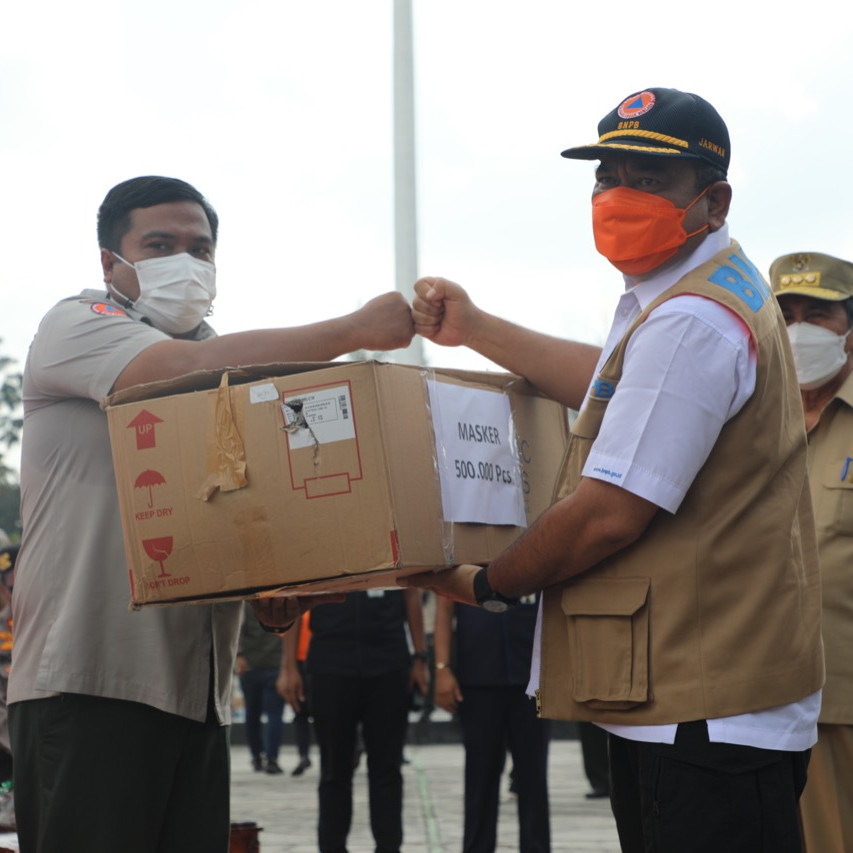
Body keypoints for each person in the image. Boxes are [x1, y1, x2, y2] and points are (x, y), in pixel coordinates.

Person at [404, 87, 824, 852]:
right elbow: (609, 383)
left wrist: (489, 581)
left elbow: (607, 513)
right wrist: (474, 329)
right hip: (704, 699)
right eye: (607, 176)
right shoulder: (702, 292)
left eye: (649, 179)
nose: (618, 196)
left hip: (702, 715)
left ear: (712, 197)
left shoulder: (688, 322)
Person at [8, 175, 414, 853]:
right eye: (161, 244)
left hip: (195, 696)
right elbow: (189, 368)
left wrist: (269, 590)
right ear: (113, 263)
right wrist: (353, 331)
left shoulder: (226, 361)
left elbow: (236, 514)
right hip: (89, 682)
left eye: (200, 249)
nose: (186, 262)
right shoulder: (80, 325)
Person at [770, 251, 853, 853]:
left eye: (817, 313)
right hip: (755, 704)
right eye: (785, 313)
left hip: (841, 701)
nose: (797, 329)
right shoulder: (744, 420)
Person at [282, 588, 429, 853]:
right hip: (331, 662)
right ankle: (332, 847)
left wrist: (420, 657)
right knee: (334, 770)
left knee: (387, 769)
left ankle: (388, 848)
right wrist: (288, 666)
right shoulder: (315, 546)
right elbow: (293, 596)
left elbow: (411, 592)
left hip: (388, 660)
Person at [433, 593, 550, 852]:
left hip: (532, 680)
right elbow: (444, 608)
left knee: (533, 779)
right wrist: (442, 668)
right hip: (478, 679)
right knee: (480, 780)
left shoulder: (536, 552)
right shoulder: (461, 551)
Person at [236, 601, 287, 774]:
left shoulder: (247, 603)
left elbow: (236, 630)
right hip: (271, 665)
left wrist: (239, 655)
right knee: (274, 715)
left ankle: (258, 756)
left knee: (253, 714)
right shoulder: (283, 601)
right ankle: (271, 758)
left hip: (252, 664)